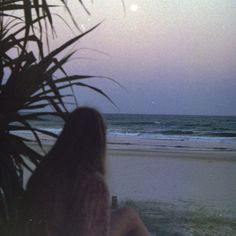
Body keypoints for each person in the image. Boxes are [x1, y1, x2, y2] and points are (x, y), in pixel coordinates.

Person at [21, 107, 150, 236]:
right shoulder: (90, 182)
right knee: (129, 215)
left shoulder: (45, 171)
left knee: (124, 213)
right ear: (99, 139)